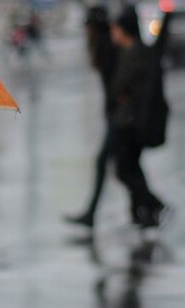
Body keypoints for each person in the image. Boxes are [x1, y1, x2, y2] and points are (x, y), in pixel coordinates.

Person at [108, 6, 168, 229]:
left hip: (130, 124)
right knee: (132, 169)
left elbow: (118, 88)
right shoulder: (131, 53)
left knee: (126, 170)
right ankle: (142, 214)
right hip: (131, 122)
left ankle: (154, 206)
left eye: (115, 29)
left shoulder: (135, 55)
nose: (112, 33)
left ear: (124, 30)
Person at [65, 5, 121, 229]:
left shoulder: (107, 49)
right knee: (125, 167)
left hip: (119, 117)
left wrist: (115, 111)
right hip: (116, 116)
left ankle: (150, 208)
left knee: (114, 165)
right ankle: (145, 209)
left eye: (88, 27)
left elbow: (117, 86)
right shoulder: (105, 47)